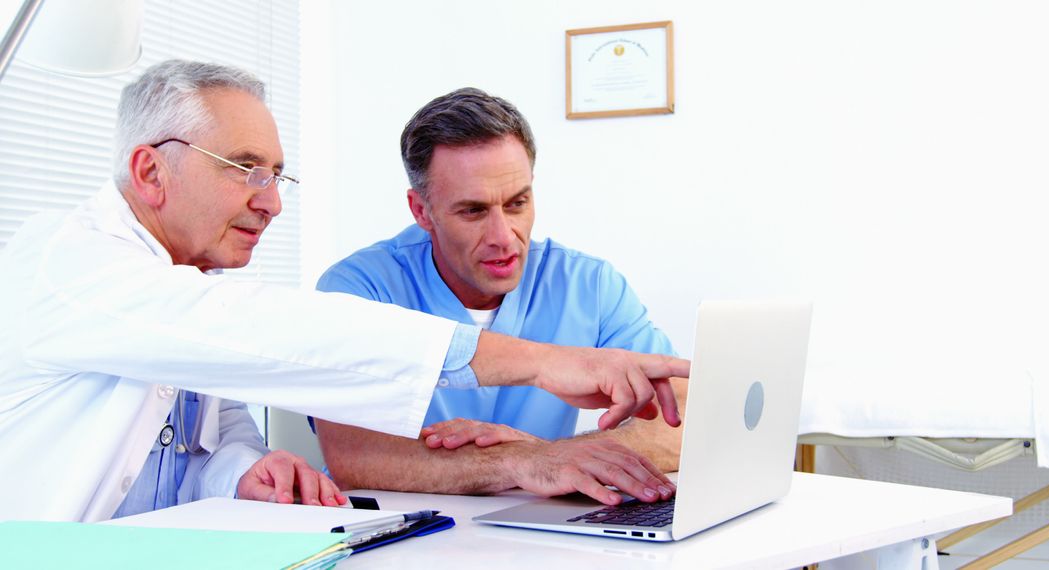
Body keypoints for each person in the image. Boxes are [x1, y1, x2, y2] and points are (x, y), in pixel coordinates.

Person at [0, 62, 688, 522]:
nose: (270, 203)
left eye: (276, 174)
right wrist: (540, 365)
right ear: (150, 170)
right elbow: (273, 332)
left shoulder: (191, 282)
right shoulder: (65, 266)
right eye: (243, 170)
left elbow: (213, 445)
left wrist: (243, 470)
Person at [315, 88, 688, 506]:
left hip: (544, 538)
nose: (503, 237)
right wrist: (524, 460)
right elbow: (353, 454)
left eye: (517, 203)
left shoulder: (589, 284)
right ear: (421, 211)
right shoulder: (358, 288)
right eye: (473, 211)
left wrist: (548, 453)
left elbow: (683, 418)